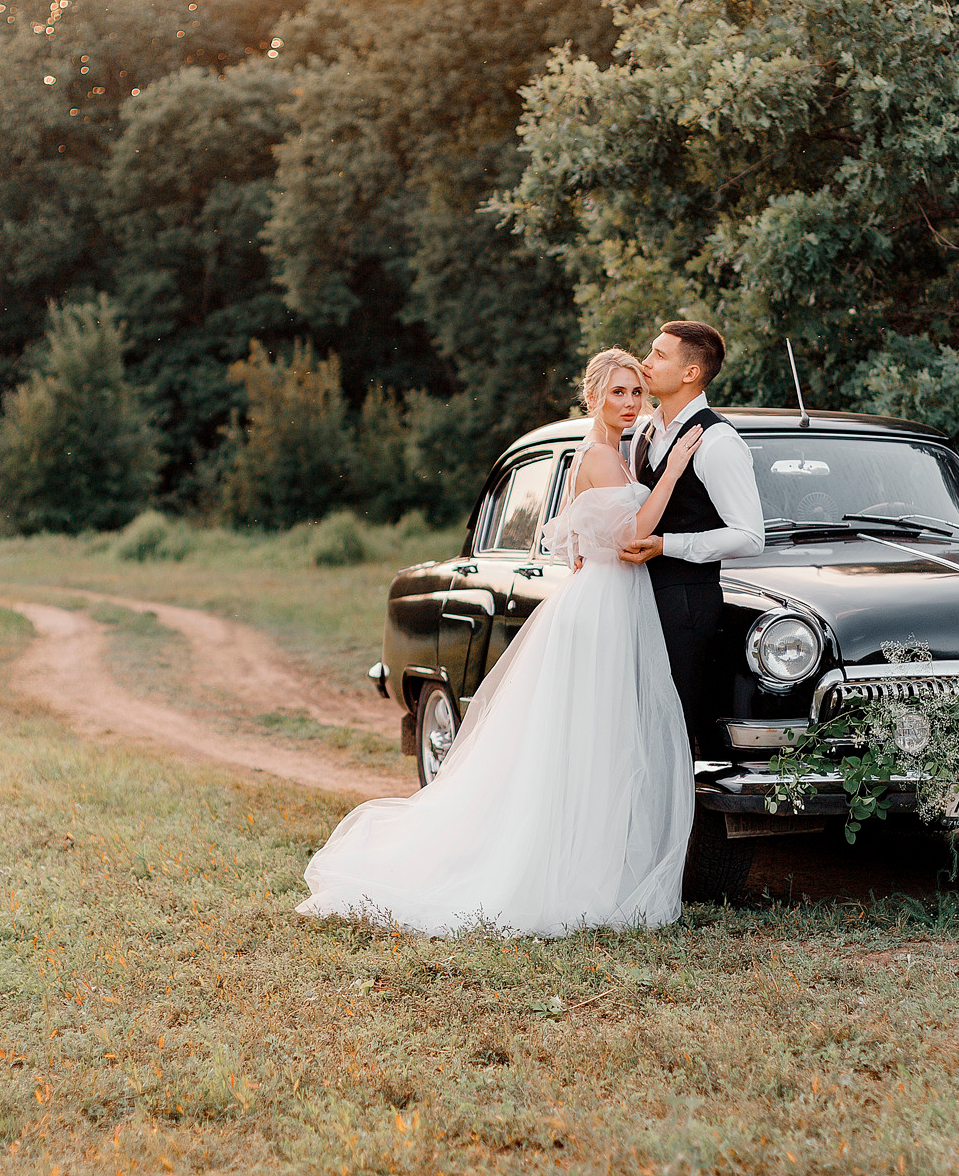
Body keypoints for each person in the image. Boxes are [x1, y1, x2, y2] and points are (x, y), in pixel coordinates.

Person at [296, 349, 699, 937]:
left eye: (637, 392)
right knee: (594, 738)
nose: (631, 403)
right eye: (618, 393)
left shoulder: (609, 455)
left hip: (605, 597)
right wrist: (674, 470)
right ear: (593, 398)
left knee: (594, 738)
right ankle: (576, 875)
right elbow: (637, 533)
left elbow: (575, 532)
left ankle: (593, 865)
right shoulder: (602, 457)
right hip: (606, 605)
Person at [619, 321, 767, 751]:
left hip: (686, 603)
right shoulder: (646, 430)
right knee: (640, 727)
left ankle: (681, 819)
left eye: (659, 356)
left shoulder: (717, 441)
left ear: (691, 373)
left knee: (672, 729)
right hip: (640, 595)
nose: (645, 363)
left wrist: (670, 546)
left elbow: (748, 535)